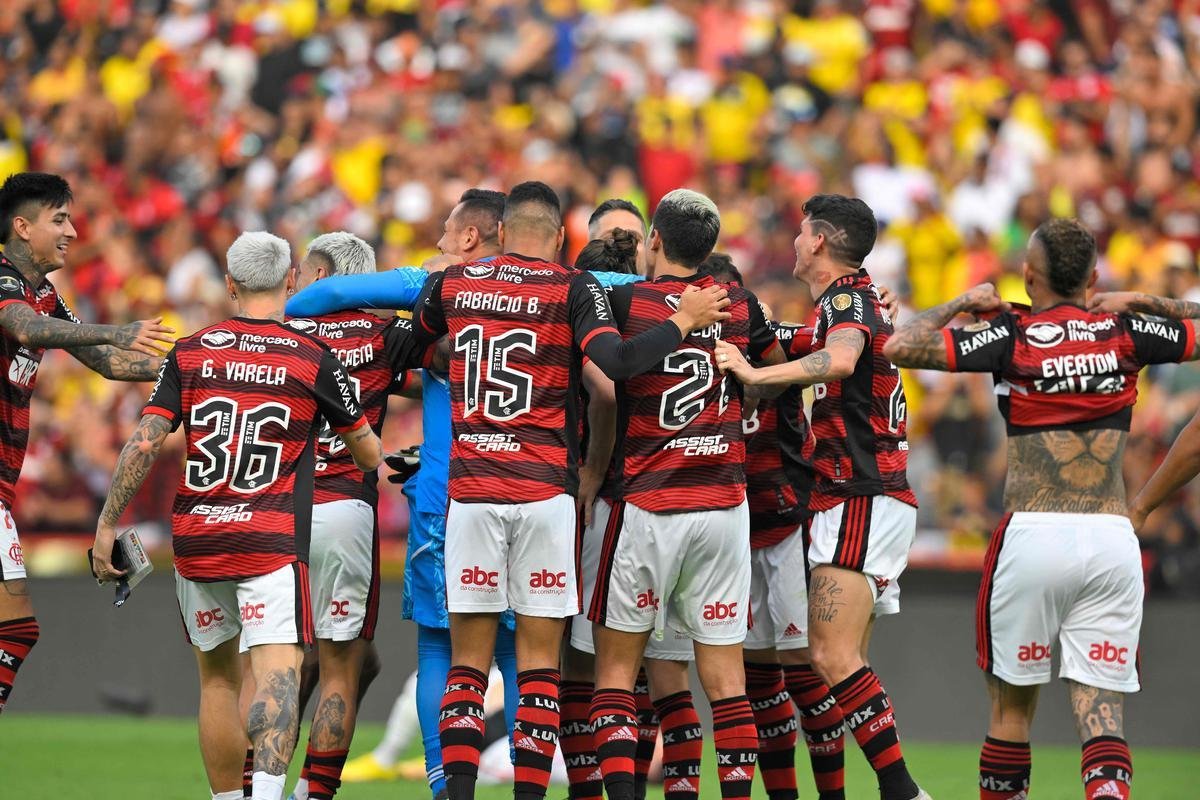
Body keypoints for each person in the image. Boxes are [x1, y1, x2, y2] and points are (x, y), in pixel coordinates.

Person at [409, 180, 730, 800]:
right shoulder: (573, 286)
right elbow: (614, 365)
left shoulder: (454, 285)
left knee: (466, 666)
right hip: (547, 495)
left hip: (472, 493)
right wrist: (681, 320)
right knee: (539, 669)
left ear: (500, 233)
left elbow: (412, 341)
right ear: (561, 239)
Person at [883, 218, 1198, 800]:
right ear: (1094, 277)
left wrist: (961, 301)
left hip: (1032, 532)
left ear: (1027, 276)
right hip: (1111, 535)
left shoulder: (1013, 333)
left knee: (1010, 715)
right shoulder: (1128, 330)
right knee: (1101, 713)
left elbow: (899, 344)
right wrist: (1147, 301)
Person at [90, 231, 384, 800]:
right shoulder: (312, 357)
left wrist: (107, 524)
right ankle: (270, 794)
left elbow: (145, 442)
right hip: (269, 538)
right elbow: (367, 452)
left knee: (219, 681)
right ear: (291, 281)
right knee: (278, 668)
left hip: (198, 538)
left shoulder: (191, 350)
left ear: (230, 285)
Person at [289, 190, 522, 800]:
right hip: (529, 490)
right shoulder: (559, 289)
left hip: (447, 495)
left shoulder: (435, 283)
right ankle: (531, 785)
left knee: (440, 645)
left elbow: (329, 294)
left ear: (470, 236)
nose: (438, 241)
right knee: (523, 650)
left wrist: (282, 325)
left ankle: (445, 786)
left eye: (446, 230)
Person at [715, 194, 927, 800]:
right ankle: (896, 788)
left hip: (859, 491)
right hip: (868, 493)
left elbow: (838, 359)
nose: (794, 241)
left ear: (822, 242)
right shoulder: (851, 301)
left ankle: (902, 790)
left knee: (828, 657)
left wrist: (755, 377)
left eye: (803, 232)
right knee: (839, 660)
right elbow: (806, 341)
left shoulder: (845, 300)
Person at [587, 189, 784, 800]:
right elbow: (777, 371)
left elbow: (610, 372)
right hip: (725, 507)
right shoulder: (742, 306)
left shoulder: (624, 301)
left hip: (648, 503)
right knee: (725, 679)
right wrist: (745, 386)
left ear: (655, 241)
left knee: (617, 671)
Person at [0, 172, 173, 714]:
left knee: (16, 630)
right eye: (60, 219)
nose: (73, 231)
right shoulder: (4, 281)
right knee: (16, 626)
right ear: (22, 228)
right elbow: (27, 329)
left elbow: (109, 364)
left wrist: (197, 367)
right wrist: (112, 329)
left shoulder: (45, 293)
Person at [280, 231, 430, 800]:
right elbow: (437, 377)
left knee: (289, 661)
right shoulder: (383, 335)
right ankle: (310, 794)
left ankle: (257, 787)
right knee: (344, 664)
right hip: (344, 506)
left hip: (276, 512)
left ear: (322, 279)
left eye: (303, 274)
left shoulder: (280, 331)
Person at [699, 252, 846, 800]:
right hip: (730, 529)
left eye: (729, 303)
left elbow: (836, 342)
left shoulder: (769, 341)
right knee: (758, 683)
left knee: (806, 673)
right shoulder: (679, 348)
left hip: (786, 523)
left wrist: (884, 312)